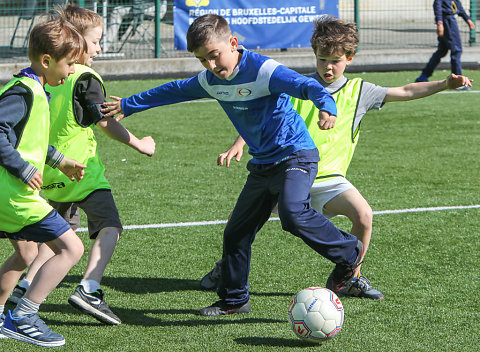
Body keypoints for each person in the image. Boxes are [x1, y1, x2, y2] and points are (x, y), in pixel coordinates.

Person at [102, 14, 367, 317]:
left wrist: (327, 107)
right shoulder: (211, 81)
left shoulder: (264, 70)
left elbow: (307, 86)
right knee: (236, 233)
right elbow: (173, 90)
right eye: (203, 61)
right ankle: (235, 300)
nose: (211, 66)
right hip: (263, 165)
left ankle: (350, 252)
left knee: (293, 215)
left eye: (214, 56)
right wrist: (128, 104)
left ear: (233, 43)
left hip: (296, 155)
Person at [200, 15, 473, 299]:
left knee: (364, 216)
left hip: (330, 179)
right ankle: (225, 268)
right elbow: (263, 117)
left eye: (335, 60)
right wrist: (239, 142)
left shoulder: (360, 91)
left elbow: (404, 90)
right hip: (289, 171)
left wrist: (444, 84)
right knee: (238, 220)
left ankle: (349, 278)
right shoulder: (297, 85)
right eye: (322, 59)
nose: (327, 67)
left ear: (350, 58)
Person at [8, 4, 156, 326]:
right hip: (79, 169)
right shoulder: (86, 77)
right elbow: (102, 122)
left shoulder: (44, 79)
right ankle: (89, 288)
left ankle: (25, 286)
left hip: (47, 171)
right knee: (110, 225)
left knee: (60, 236)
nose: (100, 48)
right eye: (96, 41)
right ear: (76, 40)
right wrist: (139, 143)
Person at [0, 18, 87, 347]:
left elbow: (25, 139)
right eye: (70, 63)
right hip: (14, 195)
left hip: (10, 192)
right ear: (47, 61)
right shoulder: (23, 92)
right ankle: (23, 316)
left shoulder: (35, 89)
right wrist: (22, 169)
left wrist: (59, 160)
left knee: (25, 254)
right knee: (71, 247)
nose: (71, 70)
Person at [415, 0, 475, 85]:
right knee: (456, 50)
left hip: (450, 21)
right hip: (447, 22)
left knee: (442, 51)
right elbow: (437, 6)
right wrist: (440, 23)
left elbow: (458, 6)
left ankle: (423, 76)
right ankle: (457, 80)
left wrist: (467, 19)